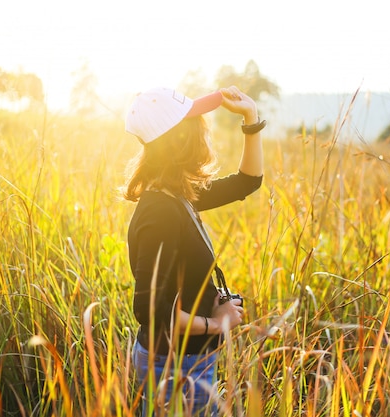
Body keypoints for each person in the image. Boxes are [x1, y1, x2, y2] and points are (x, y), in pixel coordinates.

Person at [123, 85, 264, 416]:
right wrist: (217, 323)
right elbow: (151, 312)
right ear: (182, 140)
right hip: (176, 366)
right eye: (197, 121)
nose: (204, 129)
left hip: (183, 361)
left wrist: (251, 118)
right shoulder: (162, 212)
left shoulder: (176, 193)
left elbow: (248, 181)